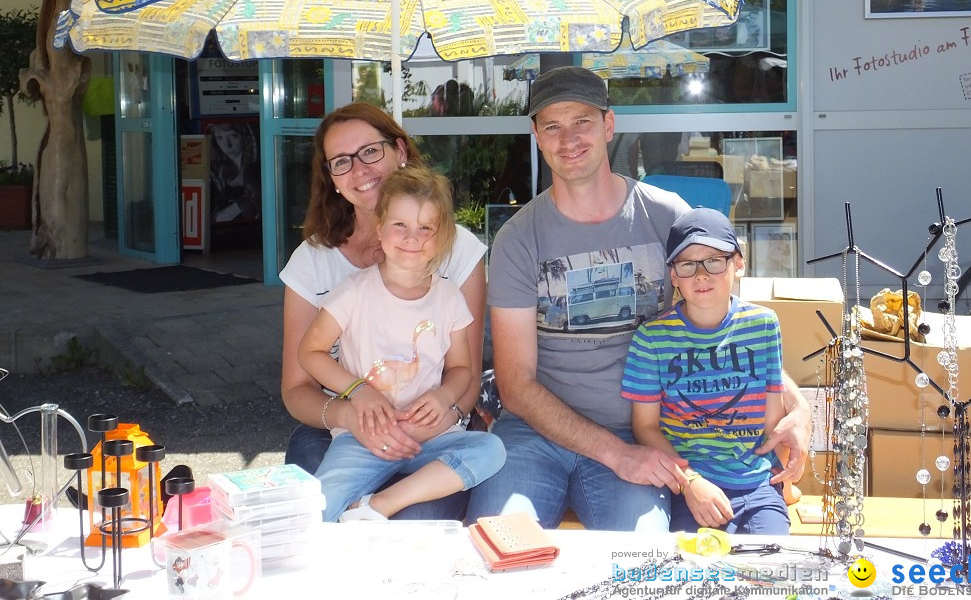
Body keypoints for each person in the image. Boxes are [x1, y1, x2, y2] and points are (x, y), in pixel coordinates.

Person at [466, 65, 810, 531]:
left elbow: (726, 327)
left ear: (609, 125)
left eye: (582, 121)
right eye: (552, 125)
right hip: (535, 436)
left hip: (643, 431)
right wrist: (617, 455)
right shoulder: (517, 239)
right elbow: (517, 387)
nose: (569, 138)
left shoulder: (668, 218)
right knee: (496, 546)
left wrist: (799, 407)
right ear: (537, 137)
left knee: (640, 560)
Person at [278, 103, 486, 519]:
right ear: (332, 180)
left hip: (431, 432)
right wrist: (352, 412)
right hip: (348, 427)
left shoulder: (455, 251)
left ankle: (376, 508)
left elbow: (466, 374)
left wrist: (445, 410)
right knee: (310, 493)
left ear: (400, 151)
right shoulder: (317, 264)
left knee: (422, 523)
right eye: (342, 162)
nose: (360, 169)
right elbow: (297, 386)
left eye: (370, 152)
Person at [622, 208, 790, 535]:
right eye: (687, 264)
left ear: (738, 263)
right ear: (673, 276)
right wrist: (690, 484)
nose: (701, 275)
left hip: (756, 485)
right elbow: (644, 427)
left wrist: (782, 480)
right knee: (697, 574)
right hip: (689, 489)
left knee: (772, 571)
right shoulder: (652, 339)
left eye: (714, 260)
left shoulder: (764, 325)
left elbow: (773, 416)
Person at [207, 121, 259, 222]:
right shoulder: (214, 173)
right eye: (220, 138)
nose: (227, 145)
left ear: (245, 136)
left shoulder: (258, 170)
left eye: (232, 136)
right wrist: (243, 204)